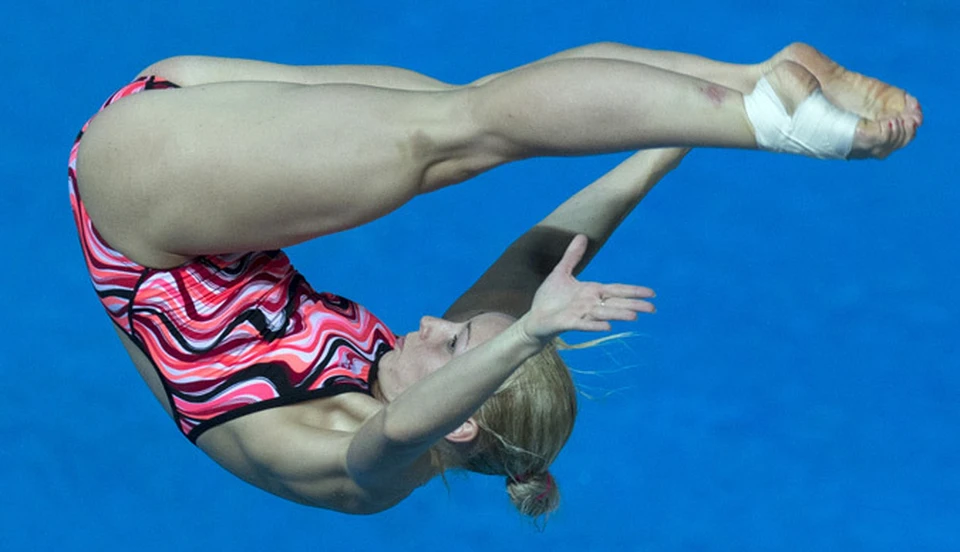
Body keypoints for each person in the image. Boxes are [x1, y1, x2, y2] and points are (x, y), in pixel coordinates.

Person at [68, 42, 920, 519]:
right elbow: (539, 255)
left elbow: (393, 440)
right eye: (463, 331)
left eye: (456, 345)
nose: (435, 320)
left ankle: (770, 117)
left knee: (455, 133)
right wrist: (667, 144)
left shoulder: (356, 467)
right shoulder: (418, 371)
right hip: (195, 164)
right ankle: (752, 89)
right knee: (474, 113)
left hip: (145, 197)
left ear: (463, 420)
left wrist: (527, 333)